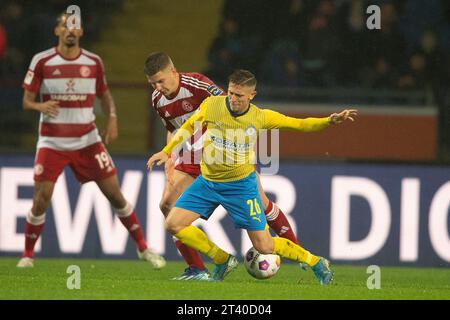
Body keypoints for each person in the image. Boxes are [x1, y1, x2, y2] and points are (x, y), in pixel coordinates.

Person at [147, 69, 357, 284]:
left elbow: (300, 124)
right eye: (230, 93)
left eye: (239, 95)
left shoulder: (260, 117)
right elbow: (189, 126)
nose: (233, 99)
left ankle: (315, 262)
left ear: (251, 95)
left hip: (240, 186)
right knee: (173, 224)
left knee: (264, 246)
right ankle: (222, 259)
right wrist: (167, 150)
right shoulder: (212, 105)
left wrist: (329, 121)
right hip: (208, 182)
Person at [16, 12, 166, 269]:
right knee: (41, 199)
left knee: (115, 195)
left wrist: (112, 119)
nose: (71, 31)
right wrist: (40, 106)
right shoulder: (42, 61)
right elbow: (26, 101)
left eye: (75, 27)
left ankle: (143, 248)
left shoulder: (93, 62)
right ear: (58, 31)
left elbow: (104, 95)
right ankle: (27, 255)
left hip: (87, 140)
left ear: (81, 32)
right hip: (52, 142)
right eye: (66, 26)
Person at [144, 52, 303, 280]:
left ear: (173, 71)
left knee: (263, 202)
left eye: (161, 81)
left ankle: (299, 254)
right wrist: (170, 157)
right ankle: (196, 269)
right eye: (153, 84)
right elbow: (173, 128)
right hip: (190, 157)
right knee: (167, 205)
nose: (158, 87)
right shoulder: (157, 99)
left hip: (222, 155)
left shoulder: (198, 85)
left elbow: (231, 110)